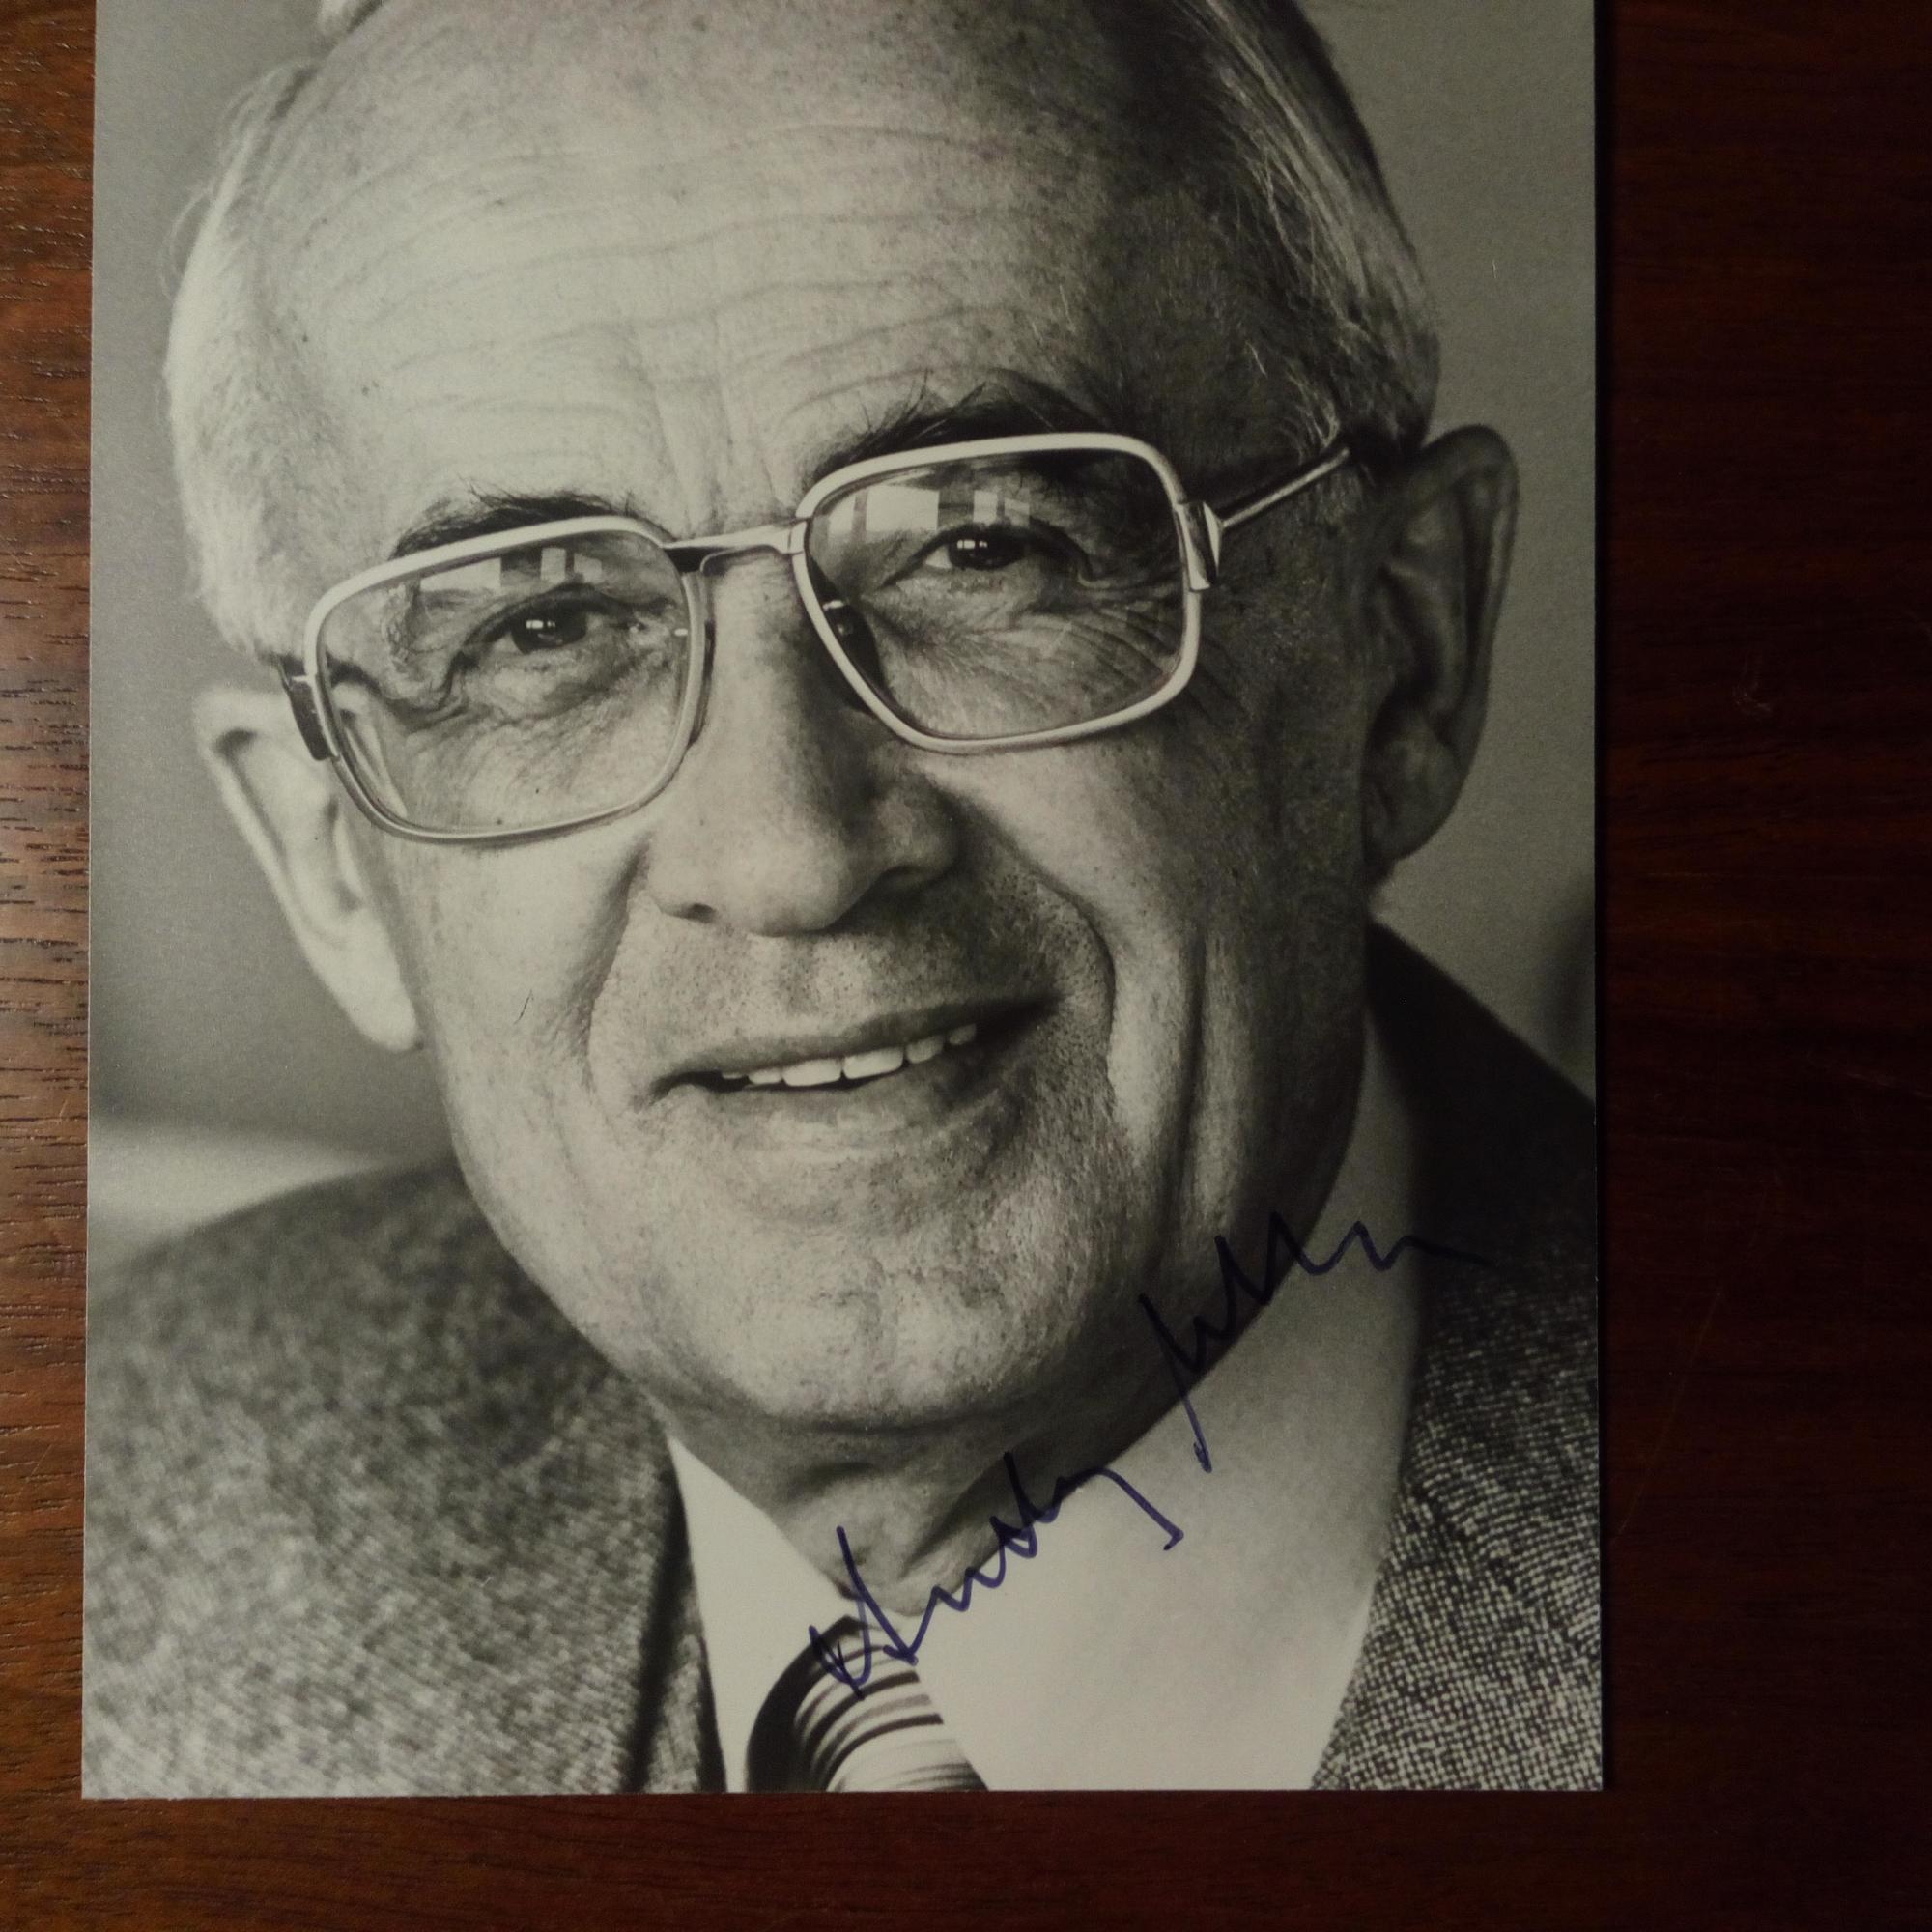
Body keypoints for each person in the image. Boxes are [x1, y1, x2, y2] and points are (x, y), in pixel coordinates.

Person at [84, 0, 1597, 1794]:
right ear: (330, 862)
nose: (789, 855)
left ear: (1401, 657)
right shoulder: (127, 1509)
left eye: (983, 547)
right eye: (539, 628)